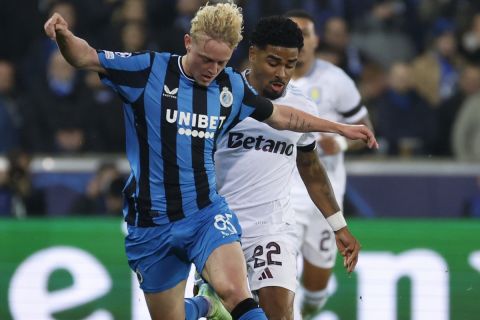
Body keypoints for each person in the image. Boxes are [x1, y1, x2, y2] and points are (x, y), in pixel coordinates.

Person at [44, 3, 377, 320]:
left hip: (212, 217)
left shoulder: (229, 88)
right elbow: (85, 56)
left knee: (243, 296)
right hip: (152, 221)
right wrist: (63, 35)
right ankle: (205, 305)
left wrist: (340, 128)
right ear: (188, 42)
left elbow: (286, 118)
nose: (212, 71)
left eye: (221, 63)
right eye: (206, 60)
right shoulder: (149, 70)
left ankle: (222, 300)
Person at [213, 16, 361, 320]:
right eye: (273, 62)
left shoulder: (303, 107)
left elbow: (311, 168)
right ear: (252, 54)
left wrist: (339, 226)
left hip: (271, 229)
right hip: (217, 229)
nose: (282, 74)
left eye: (290, 65)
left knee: (279, 315)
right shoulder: (220, 95)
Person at [285, 10, 375, 319]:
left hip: (325, 194)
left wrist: (337, 143)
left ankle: (307, 311)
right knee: (280, 280)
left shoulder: (336, 80)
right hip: (283, 192)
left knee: (315, 292)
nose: (300, 40)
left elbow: (365, 130)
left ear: (316, 40)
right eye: (293, 32)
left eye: (306, 33)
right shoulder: (267, 80)